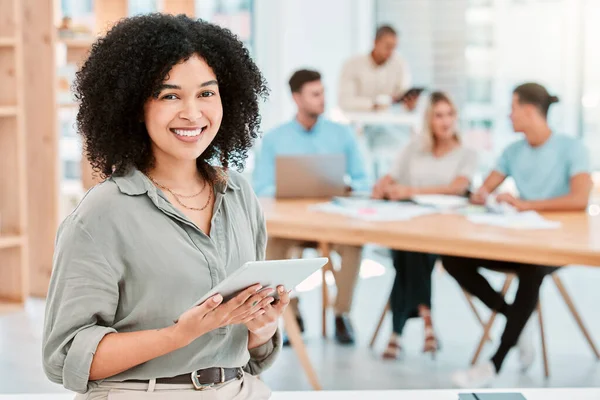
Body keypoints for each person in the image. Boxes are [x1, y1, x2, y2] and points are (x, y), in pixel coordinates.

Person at [43, 14, 288, 399]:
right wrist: (179, 335)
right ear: (133, 105)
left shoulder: (238, 193)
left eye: (206, 93)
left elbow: (252, 353)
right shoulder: (102, 214)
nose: (192, 113)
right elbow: (65, 356)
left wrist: (263, 327)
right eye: (170, 95)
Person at [443, 83, 592, 388]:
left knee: (532, 269)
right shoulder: (513, 151)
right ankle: (516, 320)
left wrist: (526, 204)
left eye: (512, 108)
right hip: (520, 240)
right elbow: (485, 189)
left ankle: (493, 364)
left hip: (556, 247)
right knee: (452, 259)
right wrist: (483, 195)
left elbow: (579, 199)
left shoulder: (572, 148)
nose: (508, 115)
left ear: (528, 110)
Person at [253, 69, 369, 345]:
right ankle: (291, 315)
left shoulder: (342, 135)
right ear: (296, 98)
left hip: (334, 224)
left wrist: (348, 189)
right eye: (315, 94)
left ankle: (342, 314)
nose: (322, 99)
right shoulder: (274, 139)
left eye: (323, 92)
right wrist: (295, 191)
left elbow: (364, 181)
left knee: (355, 245)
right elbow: (261, 188)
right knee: (273, 246)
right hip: (293, 224)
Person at [371, 92, 478, 360]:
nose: (446, 121)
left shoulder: (467, 153)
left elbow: (457, 188)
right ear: (429, 119)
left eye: (450, 114)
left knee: (409, 253)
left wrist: (409, 190)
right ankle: (426, 320)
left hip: (446, 231)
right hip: (410, 225)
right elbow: (387, 178)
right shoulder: (414, 148)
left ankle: (397, 333)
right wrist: (384, 187)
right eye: (439, 115)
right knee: (410, 248)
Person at [338, 25, 417, 112]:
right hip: (358, 121)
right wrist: (375, 104)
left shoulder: (399, 64)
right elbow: (345, 102)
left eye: (394, 47)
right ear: (375, 42)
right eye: (388, 47)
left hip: (391, 122)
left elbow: (402, 95)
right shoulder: (352, 65)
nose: (391, 52)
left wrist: (408, 102)